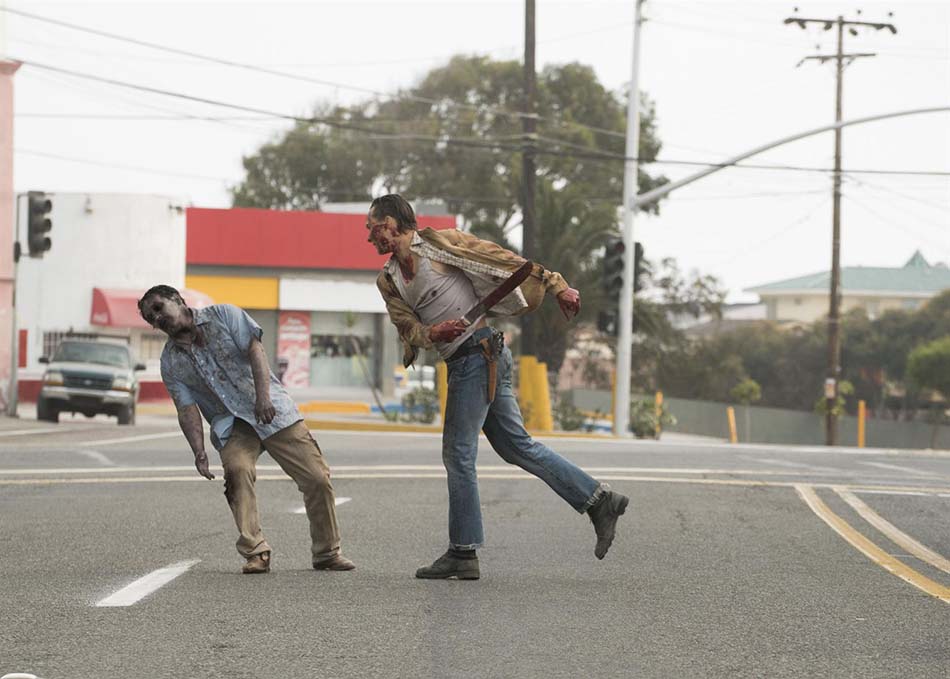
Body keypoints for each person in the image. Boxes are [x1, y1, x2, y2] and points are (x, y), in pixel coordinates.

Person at [367, 194, 629, 580]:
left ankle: (463, 552)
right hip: (470, 359)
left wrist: (557, 285)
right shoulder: (388, 280)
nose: (369, 236)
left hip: (478, 355)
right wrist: (432, 333)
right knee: (516, 446)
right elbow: (407, 328)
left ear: (392, 223)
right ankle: (599, 500)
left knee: (458, 454)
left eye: (373, 227)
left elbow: (502, 260)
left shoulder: (442, 243)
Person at [137, 285, 355, 574]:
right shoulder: (170, 361)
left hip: (271, 410)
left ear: (177, 300)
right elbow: (186, 409)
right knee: (237, 470)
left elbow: (255, 350)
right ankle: (256, 551)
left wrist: (263, 397)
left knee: (317, 478)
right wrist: (198, 451)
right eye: (150, 318)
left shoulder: (224, 315)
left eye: (158, 308)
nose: (157, 318)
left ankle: (327, 553)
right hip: (231, 423)